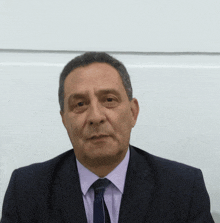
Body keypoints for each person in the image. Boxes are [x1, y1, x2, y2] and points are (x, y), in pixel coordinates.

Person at [1, 52, 214, 223]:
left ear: (132, 112)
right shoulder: (26, 191)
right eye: (80, 104)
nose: (95, 117)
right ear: (64, 120)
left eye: (109, 100)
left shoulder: (184, 189)